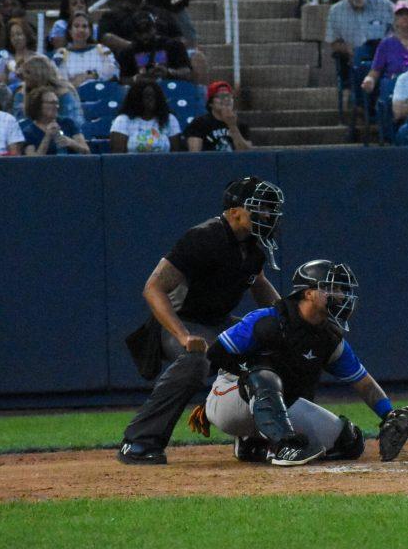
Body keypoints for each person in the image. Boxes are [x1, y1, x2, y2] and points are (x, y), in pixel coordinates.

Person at [189, 259, 408, 465]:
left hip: (282, 406)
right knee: (264, 375)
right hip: (232, 401)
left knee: (349, 443)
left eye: (342, 290)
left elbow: (363, 382)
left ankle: (255, 447)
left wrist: (388, 415)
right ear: (308, 292)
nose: (341, 295)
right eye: (332, 288)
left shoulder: (328, 337)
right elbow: (214, 357)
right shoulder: (268, 321)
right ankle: (284, 446)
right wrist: (207, 401)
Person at [116, 176, 285, 465]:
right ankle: (139, 440)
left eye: (270, 209)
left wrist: (287, 318)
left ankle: (250, 437)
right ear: (234, 212)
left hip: (217, 323)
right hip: (180, 321)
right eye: (259, 208)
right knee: (197, 360)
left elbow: (258, 283)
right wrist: (182, 336)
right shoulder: (204, 237)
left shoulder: (254, 245)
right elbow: (153, 288)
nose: (267, 215)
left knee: (270, 350)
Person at [325, 0, 393, 87]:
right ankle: (362, 102)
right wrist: (348, 49)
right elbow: (333, 42)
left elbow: (400, 27)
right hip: (356, 58)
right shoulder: (336, 11)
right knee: (360, 55)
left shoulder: (383, 4)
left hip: (385, 53)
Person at [98, 0, 183, 56]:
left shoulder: (161, 12)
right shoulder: (112, 16)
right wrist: (136, 47)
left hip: (163, 58)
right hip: (129, 61)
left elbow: (179, 37)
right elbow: (105, 37)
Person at [359, 0, 408, 96]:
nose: (404, 17)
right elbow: (375, 71)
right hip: (393, 88)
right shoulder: (386, 43)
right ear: (395, 18)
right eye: (400, 14)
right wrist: (369, 80)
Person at [117, 11, 193, 85]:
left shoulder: (173, 46)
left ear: (154, 28)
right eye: (140, 32)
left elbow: (187, 72)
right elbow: (121, 79)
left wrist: (168, 72)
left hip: (170, 87)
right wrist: (135, 79)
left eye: (148, 30)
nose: (144, 36)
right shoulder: (128, 52)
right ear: (134, 33)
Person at [109, 78, 183, 153]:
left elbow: (175, 154)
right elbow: (118, 156)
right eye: (147, 96)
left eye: (154, 97)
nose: (151, 100)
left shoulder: (170, 119)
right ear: (136, 99)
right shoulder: (123, 120)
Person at [11, 55, 85, 126]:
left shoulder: (64, 94)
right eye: (24, 72)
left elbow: (75, 123)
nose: (24, 76)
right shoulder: (21, 94)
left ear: (39, 74)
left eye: (28, 72)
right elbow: (19, 124)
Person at [53, 12, 119, 87]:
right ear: (70, 31)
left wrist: (89, 75)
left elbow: (114, 72)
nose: (81, 30)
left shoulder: (102, 49)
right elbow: (59, 82)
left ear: (90, 31)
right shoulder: (61, 54)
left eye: (84, 26)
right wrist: (74, 83)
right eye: (76, 26)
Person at [184, 81, 253, 152]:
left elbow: (246, 154)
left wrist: (232, 126)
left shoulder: (241, 124)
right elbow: (194, 155)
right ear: (211, 103)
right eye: (221, 96)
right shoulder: (199, 123)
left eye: (229, 96)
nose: (226, 99)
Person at [20, 87, 90, 155]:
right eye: (51, 103)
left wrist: (71, 142)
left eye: (57, 103)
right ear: (38, 105)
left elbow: (87, 152)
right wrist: (47, 137)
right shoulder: (29, 132)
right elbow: (32, 161)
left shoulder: (67, 123)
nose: (56, 106)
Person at [0, 18, 37, 93]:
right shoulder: (3, 61)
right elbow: (0, 88)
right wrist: (6, 72)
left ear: (27, 35)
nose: (16, 38)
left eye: (19, 34)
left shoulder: (37, 58)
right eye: (12, 36)